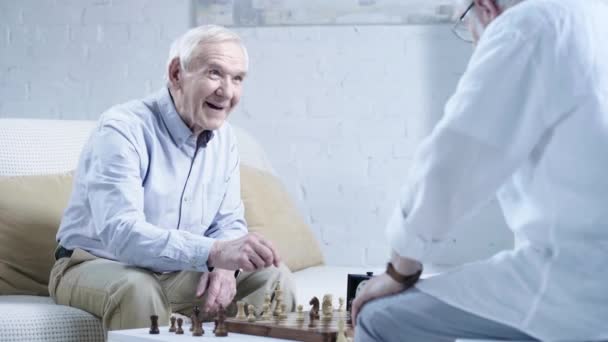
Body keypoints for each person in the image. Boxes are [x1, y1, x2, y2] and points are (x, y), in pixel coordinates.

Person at [352, 0, 608, 341]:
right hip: (589, 278)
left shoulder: (527, 26)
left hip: (575, 287)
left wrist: (399, 271)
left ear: (486, 7)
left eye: (465, 25)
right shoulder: (594, 14)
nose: (472, 41)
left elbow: (451, 161)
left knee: (380, 317)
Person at [48, 25, 295, 332]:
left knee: (272, 277)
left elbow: (228, 221)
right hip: (96, 264)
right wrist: (215, 253)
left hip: (178, 271)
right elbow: (123, 235)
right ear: (177, 73)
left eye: (238, 78)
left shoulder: (225, 138)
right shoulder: (122, 129)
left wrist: (225, 268)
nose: (227, 91)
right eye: (215, 73)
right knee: (137, 288)